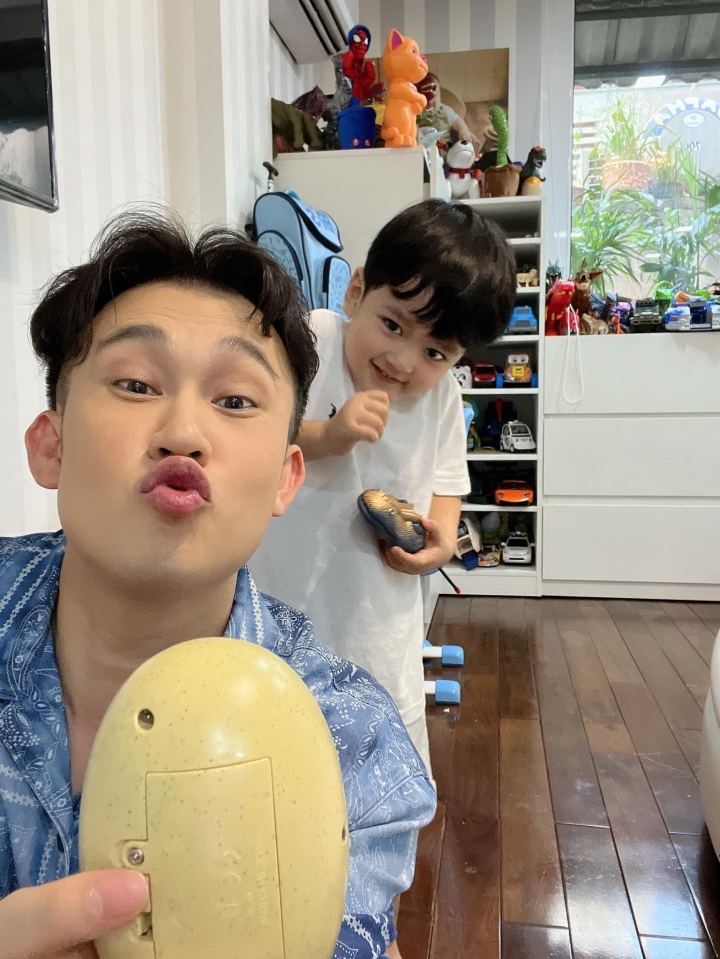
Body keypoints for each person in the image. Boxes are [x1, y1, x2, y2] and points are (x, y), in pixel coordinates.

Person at [0, 210, 436, 959]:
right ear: (51, 445)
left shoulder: (348, 743)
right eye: (136, 383)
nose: (183, 432)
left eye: (235, 401)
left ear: (286, 478)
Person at [251, 199, 516, 777]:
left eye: (434, 352)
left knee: (376, 775)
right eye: (393, 325)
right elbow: (252, 435)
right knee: (274, 764)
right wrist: (326, 436)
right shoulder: (312, 341)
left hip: (377, 625)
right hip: (278, 606)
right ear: (356, 292)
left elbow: (447, 485)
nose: (402, 360)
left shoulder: (442, 398)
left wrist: (440, 544)